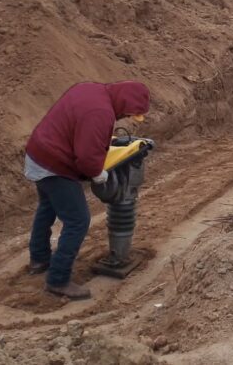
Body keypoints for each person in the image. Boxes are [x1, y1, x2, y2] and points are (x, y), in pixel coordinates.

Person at [24, 80, 150, 300]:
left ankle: (39, 259)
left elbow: (80, 130)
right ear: (124, 102)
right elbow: (86, 158)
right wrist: (97, 173)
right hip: (55, 165)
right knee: (78, 220)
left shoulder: (92, 90)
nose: (125, 117)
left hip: (39, 153)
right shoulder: (100, 113)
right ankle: (58, 280)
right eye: (128, 113)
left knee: (47, 207)